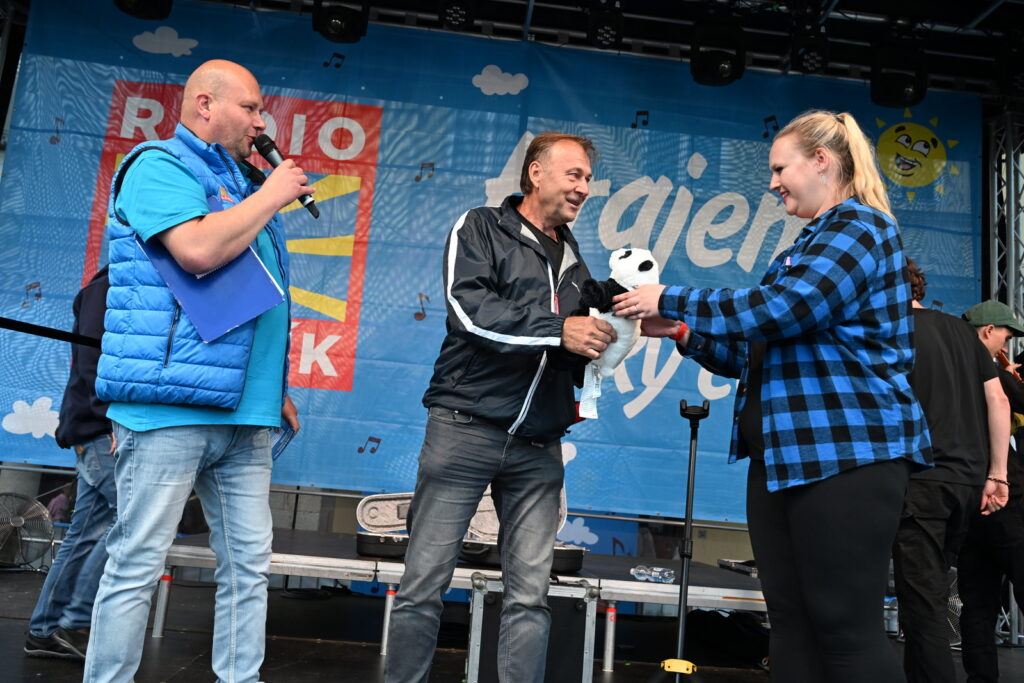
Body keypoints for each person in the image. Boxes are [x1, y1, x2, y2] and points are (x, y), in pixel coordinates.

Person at [612, 110, 931, 682]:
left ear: (821, 161)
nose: (773, 182)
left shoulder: (861, 226)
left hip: (845, 455)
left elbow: (787, 309)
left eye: (781, 168)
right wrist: (683, 331)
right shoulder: (804, 247)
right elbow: (753, 352)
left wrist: (672, 298)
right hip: (783, 460)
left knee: (844, 626)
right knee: (789, 621)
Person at [84, 60, 307, 683]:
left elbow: (254, 296)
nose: (262, 123)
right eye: (251, 108)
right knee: (138, 562)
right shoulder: (157, 165)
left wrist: (273, 387)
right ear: (205, 105)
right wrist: (271, 194)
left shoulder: (240, 182)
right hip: (170, 411)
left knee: (249, 567)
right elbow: (199, 250)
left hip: (246, 415)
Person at [383, 132, 614, 683]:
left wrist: (613, 325)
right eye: (574, 175)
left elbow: (569, 340)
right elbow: (470, 311)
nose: (584, 188)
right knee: (423, 585)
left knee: (530, 597)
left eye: (588, 178)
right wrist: (561, 329)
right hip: (465, 429)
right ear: (536, 173)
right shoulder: (481, 226)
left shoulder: (574, 260)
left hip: (539, 445)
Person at [892, 260, 1009, 683]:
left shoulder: (894, 329)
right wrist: (997, 475)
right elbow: (998, 401)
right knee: (931, 592)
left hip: (922, 480)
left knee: (923, 602)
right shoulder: (963, 332)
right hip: (967, 482)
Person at [25, 266, 115, 661]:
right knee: (130, 522)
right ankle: (74, 623)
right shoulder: (106, 288)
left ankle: (46, 630)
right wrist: (113, 418)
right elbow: (92, 359)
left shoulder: (114, 285)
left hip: (97, 427)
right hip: (101, 428)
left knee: (86, 533)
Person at [957, 299, 1024, 683]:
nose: (1006, 345)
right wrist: (1010, 376)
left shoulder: (947, 367)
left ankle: (980, 679)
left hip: (965, 496)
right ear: (987, 331)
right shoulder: (992, 373)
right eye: (1005, 337)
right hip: (1003, 496)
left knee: (977, 603)